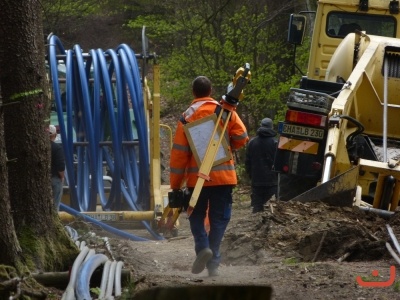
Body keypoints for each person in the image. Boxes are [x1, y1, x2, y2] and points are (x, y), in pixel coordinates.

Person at [169, 76, 248, 276]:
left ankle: (202, 247)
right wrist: (226, 145)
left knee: (195, 215)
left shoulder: (186, 117)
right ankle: (213, 263)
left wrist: (176, 186)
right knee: (219, 220)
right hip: (224, 179)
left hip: (198, 181)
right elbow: (241, 137)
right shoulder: (225, 111)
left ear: (193, 92)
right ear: (211, 90)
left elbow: (179, 155)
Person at [245, 118, 278, 213]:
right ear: (271, 127)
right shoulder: (275, 143)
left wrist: (251, 176)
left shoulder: (252, 142)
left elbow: (248, 162)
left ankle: (256, 226)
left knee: (257, 209)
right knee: (272, 209)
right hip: (272, 182)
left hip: (256, 181)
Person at [49, 125, 65, 211]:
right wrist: (62, 177)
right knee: (55, 205)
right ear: (54, 135)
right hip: (54, 178)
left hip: (39, 179)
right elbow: (61, 165)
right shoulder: (57, 148)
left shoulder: (36, 147)